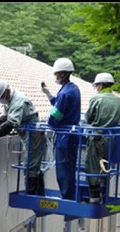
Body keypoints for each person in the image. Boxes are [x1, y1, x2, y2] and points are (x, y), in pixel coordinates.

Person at [0, 79, 47, 196]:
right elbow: (5, 116)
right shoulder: (10, 99)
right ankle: (37, 193)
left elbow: (10, 124)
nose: (0, 101)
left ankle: (32, 194)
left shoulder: (18, 102)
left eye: (0, 97)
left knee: (31, 165)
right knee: (33, 164)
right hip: (27, 134)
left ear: (6, 92)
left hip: (34, 135)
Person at [41, 57, 81, 200]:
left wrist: (49, 125)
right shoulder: (73, 88)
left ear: (63, 74)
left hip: (64, 137)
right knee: (70, 168)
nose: (56, 77)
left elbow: (57, 114)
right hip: (72, 135)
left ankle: (67, 198)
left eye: (57, 74)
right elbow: (60, 105)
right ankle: (69, 196)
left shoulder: (65, 93)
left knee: (63, 171)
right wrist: (49, 95)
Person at [84, 73, 120, 203]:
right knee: (105, 164)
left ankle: (94, 195)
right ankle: (102, 190)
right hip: (111, 138)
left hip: (97, 136)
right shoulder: (118, 100)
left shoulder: (97, 99)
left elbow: (88, 118)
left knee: (92, 164)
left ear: (100, 85)